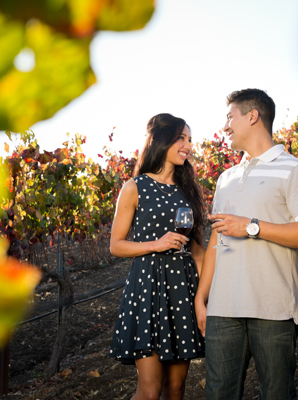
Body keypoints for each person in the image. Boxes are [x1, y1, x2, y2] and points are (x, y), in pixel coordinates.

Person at [194, 89, 298, 400]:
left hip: (274, 309)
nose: (226, 126)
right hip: (223, 311)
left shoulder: (294, 170)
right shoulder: (225, 177)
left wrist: (251, 227)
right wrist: (202, 297)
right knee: (218, 395)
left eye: (230, 117)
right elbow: (217, 239)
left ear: (252, 116)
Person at [109, 113, 206, 400]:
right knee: (149, 390)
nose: (188, 145)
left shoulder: (188, 191)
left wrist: (204, 299)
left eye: (190, 139)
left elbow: (198, 251)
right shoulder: (135, 187)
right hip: (148, 290)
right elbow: (116, 245)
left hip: (182, 292)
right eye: (181, 138)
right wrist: (156, 244)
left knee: (175, 389)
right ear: (162, 141)